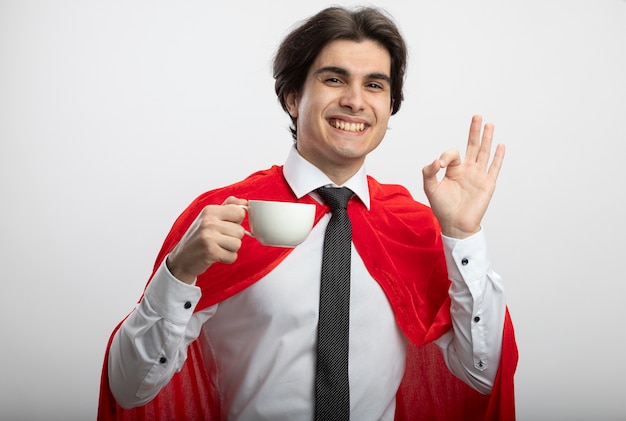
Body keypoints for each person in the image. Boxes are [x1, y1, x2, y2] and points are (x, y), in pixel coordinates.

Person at [98, 5, 517, 421]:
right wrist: (178, 272)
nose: (354, 101)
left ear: (390, 107)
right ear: (293, 97)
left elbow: (481, 374)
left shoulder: (412, 227)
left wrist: (464, 233)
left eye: (374, 85)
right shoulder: (226, 217)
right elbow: (130, 387)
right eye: (334, 79)